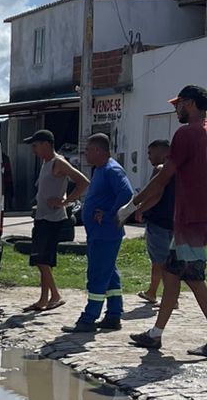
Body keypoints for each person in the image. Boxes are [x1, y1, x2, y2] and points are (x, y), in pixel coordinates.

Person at [126, 84, 207, 354]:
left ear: (193, 104)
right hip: (193, 219)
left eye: (179, 103)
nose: (176, 109)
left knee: (194, 279)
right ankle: (155, 334)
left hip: (191, 220)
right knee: (171, 275)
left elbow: (164, 176)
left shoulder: (186, 134)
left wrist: (134, 202)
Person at [61, 134, 133, 334]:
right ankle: (113, 315)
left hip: (106, 232)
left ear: (98, 150)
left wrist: (110, 215)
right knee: (110, 275)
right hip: (98, 233)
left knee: (98, 275)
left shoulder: (112, 170)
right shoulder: (100, 169)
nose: (85, 154)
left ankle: (89, 318)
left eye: (88, 150)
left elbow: (127, 194)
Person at [24, 129, 88, 312]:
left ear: (45, 144)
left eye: (35, 146)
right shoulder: (46, 162)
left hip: (52, 219)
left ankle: (56, 295)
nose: (33, 150)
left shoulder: (59, 162)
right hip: (42, 216)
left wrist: (65, 202)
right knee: (41, 260)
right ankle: (44, 299)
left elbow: (83, 182)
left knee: (42, 260)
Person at [136, 138, 177, 309]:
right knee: (167, 260)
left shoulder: (160, 169)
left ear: (162, 153)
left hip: (158, 221)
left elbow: (156, 194)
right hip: (173, 221)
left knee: (160, 261)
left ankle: (170, 298)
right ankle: (152, 292)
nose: (149, 157)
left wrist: (140, 209)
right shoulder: (178, 170)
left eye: (150, 153)